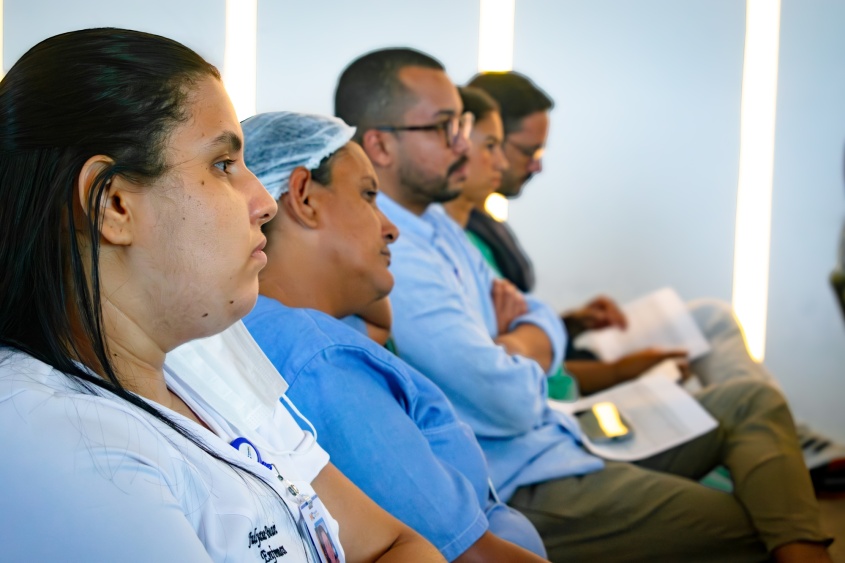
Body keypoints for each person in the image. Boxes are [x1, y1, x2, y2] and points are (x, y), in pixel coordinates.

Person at [335, 46, 833, 562]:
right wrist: (521, 350)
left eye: (464, 125)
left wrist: (513, 345)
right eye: (446, 127)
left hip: (557, 434)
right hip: (521, 478)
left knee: (750, 401)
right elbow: (505, 399)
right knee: (758, 524)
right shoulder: (396, 252)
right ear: (381, 145)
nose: (463, 146)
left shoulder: (438, 225)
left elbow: (537, 315)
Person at [0, 28, 443, 562]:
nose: (263, 201)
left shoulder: (207, 353)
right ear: (111, 204)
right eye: (223, 165)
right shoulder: (50, 436)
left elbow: (398, 544)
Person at [467, 71, 845, 466]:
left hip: (558, 356)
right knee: (728, 374)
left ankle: (788, 435)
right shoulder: (457, 238)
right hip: (556, 385)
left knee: (709, 317)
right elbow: (514, 361)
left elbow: (524, 334)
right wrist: (620, 372)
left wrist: (575, 322)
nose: (537, 167)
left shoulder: (484, 222)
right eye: (528, 152)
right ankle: (784, 438)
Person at [240, 111, 547, 562]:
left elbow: (378, 321)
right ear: (303, 196)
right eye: (368, 196)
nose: (392, 228)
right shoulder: (324, 361)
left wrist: (364, 275)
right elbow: (471, 556)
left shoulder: (277, 327)